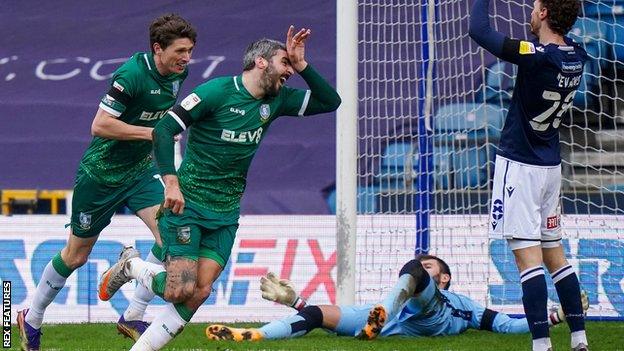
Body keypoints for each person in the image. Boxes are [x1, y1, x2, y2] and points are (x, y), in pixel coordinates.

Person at [98, 25, 341, 351]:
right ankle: (131, 266)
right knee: (178, 290)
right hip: (188, 204)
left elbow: (331, 101)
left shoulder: (277, 101)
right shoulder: (215, 92)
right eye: (284, 64)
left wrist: (300, 63)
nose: (288, 73)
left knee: (200, 291)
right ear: (261, 63)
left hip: (225, 213)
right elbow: (164, 129)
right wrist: (171, 182)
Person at [16, 14, 196, 350]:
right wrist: (153, 134)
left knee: (171, 235)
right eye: (180, 51)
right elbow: (100, 125)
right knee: (75, 255)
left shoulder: (177, 73)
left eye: (190, 51)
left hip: (140, 172)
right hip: (101, 174)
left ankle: (133, 314)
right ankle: (31, 316)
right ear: (158, 48)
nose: (187, 58)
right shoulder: (131, 75)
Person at [468, 0, 589, 350]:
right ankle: (579, 340)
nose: (531, 13)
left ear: (546, 13)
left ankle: (541, 345)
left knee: (527, 258)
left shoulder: (536, 54)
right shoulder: (577, 56)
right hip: (551, 166)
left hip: (520, 165)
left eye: (535, 7)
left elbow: (479, 31)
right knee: (555, 255)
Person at [205, 255, 587, 341]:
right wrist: (299, 303)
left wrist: (555, 316)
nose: (425, 267)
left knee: (410, 279)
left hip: (420, 314)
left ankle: (383, 312)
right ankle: (254, 335)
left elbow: (505, 324)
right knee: (319, 312)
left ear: (446, 278)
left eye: (431, 266)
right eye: (424, 266)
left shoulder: (461, 304)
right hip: (388, 320)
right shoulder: (401, 290)